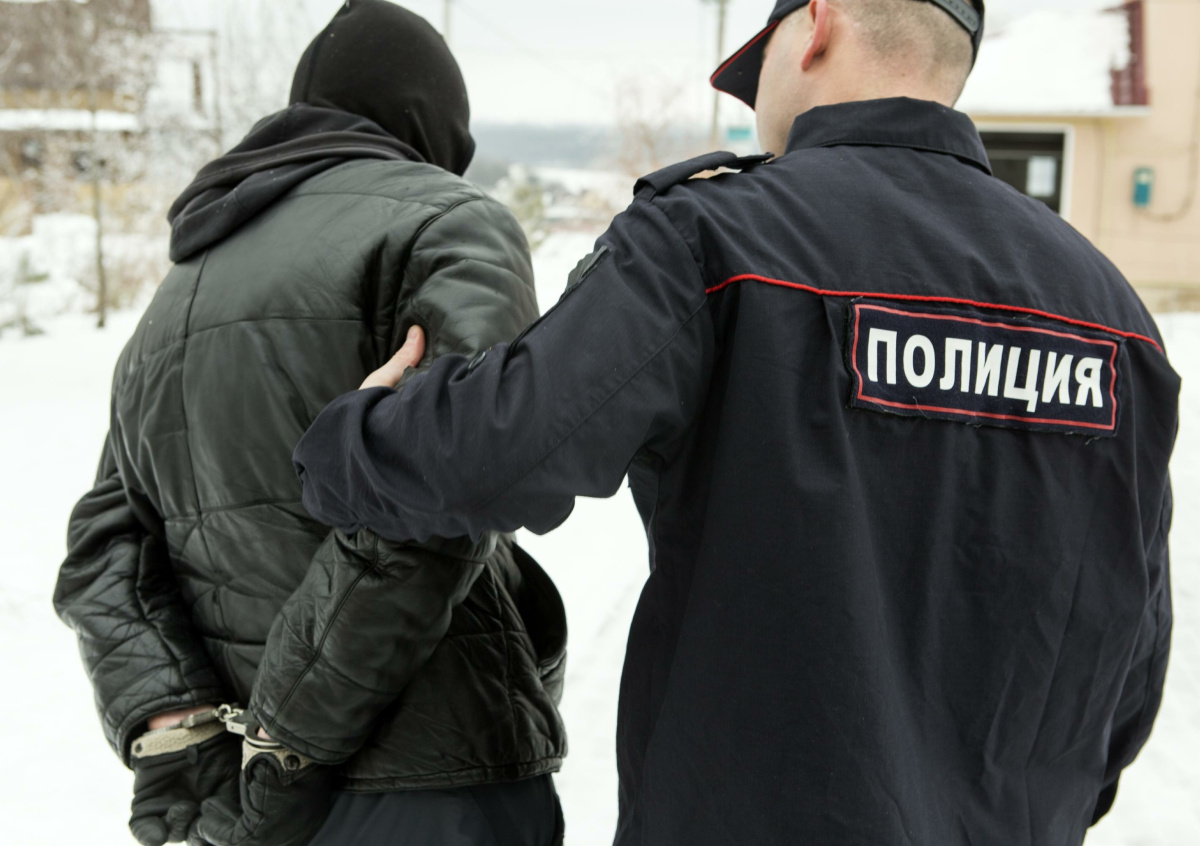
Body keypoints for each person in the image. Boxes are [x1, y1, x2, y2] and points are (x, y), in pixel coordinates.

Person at [292, 1, 1181, 844]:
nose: (758, 112)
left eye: (758, 77)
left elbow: (496, 453)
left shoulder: (716, 240)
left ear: (816, 25)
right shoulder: (1116, 318)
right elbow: (1132, 662)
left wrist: (352, 435)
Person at [53, 3, 567, 845]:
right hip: (428, 788)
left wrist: (174, 722)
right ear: (431, 123)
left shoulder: (176, 293)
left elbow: (103, 545)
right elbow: (446, 486)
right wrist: (287, 745)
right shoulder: (447, 223)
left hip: (241, 802)